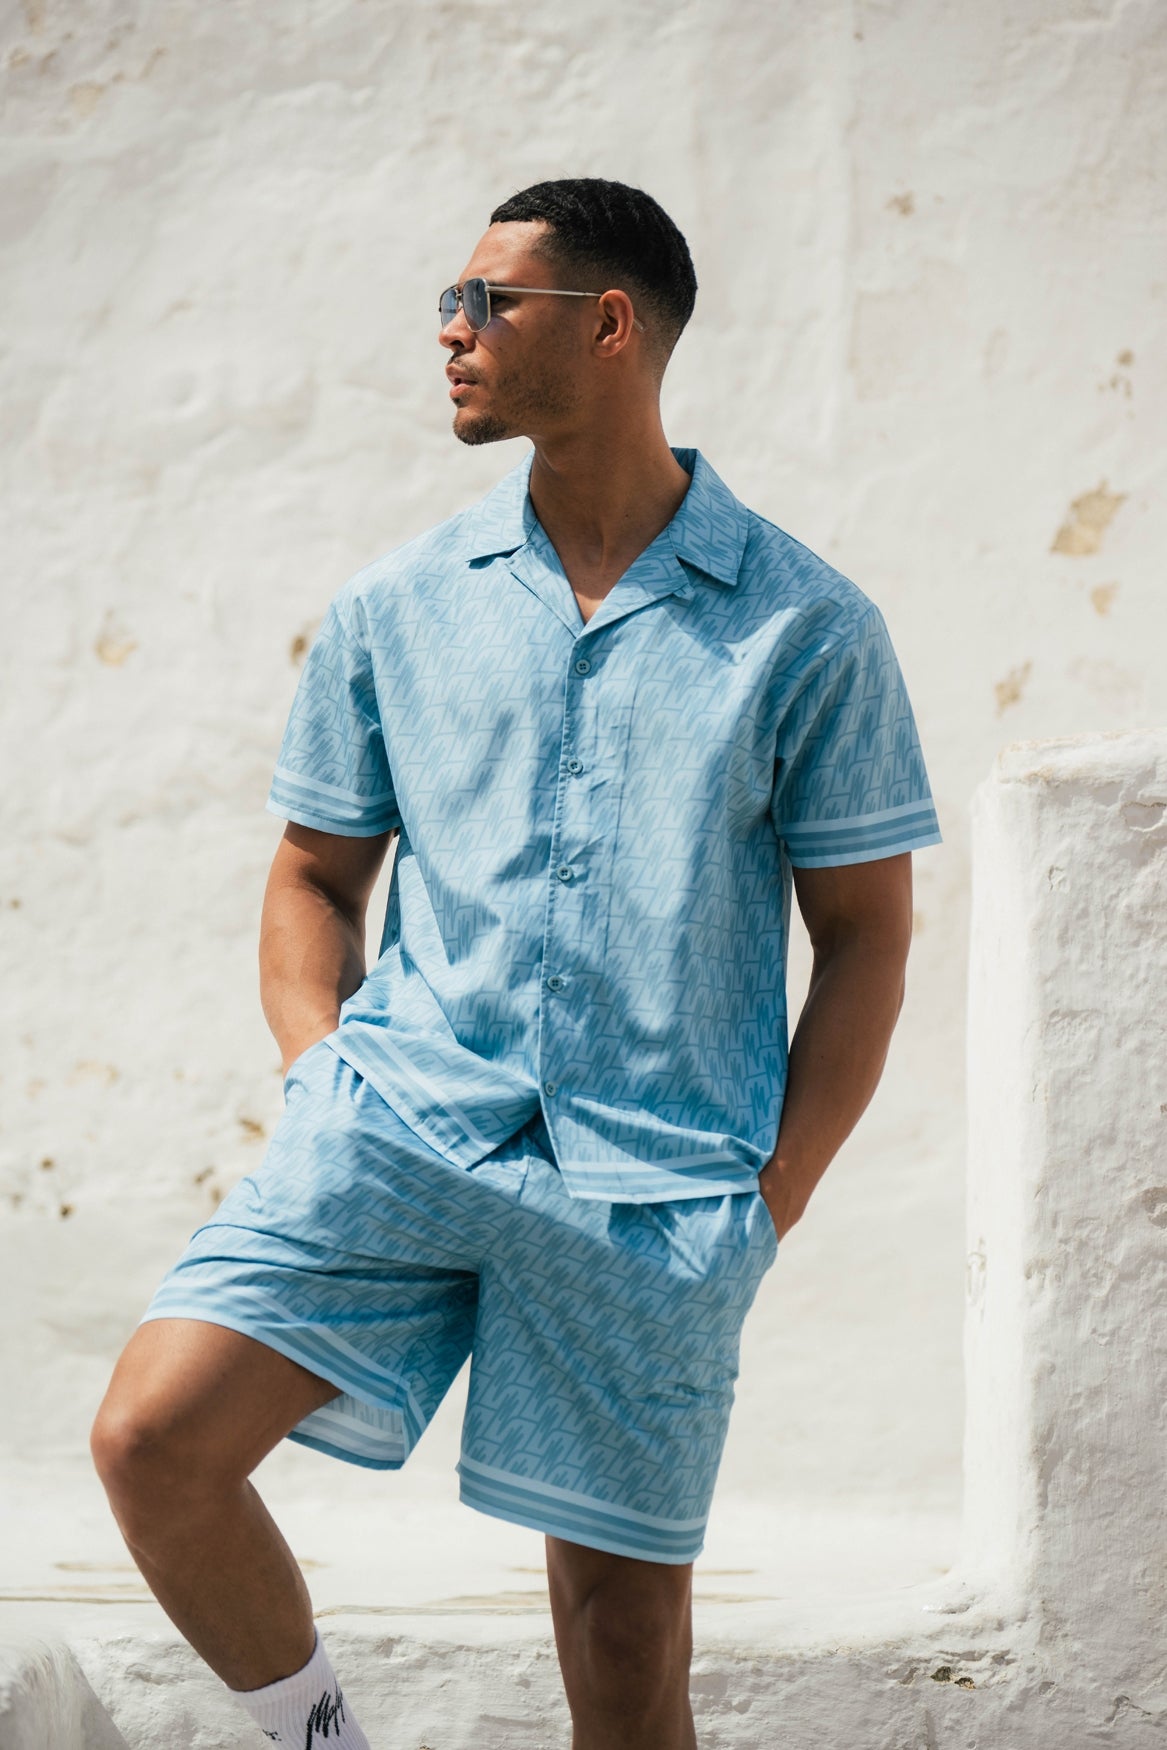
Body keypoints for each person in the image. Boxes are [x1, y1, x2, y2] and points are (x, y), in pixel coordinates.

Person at [90, 176, 943, 1750]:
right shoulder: (397, 605)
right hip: (398, 1124)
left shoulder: (808, 629)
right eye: (451, 300)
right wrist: (319, 1074)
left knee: (624, 1653)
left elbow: (867, 940)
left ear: (608, 326)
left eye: (486, 301)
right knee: (151, 1437)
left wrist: (768, 1201)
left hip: (655, 1188)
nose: (451, 330)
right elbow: (313, 877)